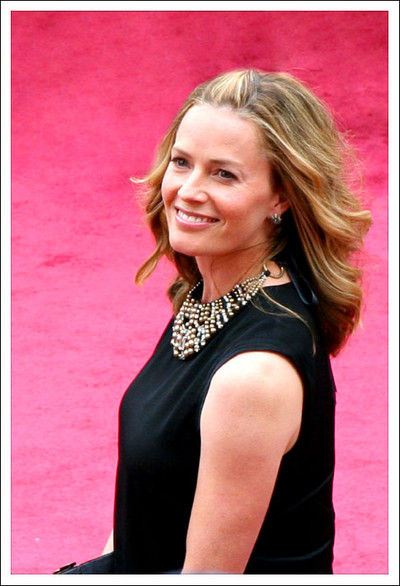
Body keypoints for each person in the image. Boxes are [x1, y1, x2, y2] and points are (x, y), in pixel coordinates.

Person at [105, 69, 372, 574]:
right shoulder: (215, 295)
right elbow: (146, 504)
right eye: (182, 162)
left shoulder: (253, 375)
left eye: (223, 174)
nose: (187, 191)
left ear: (281, 197)